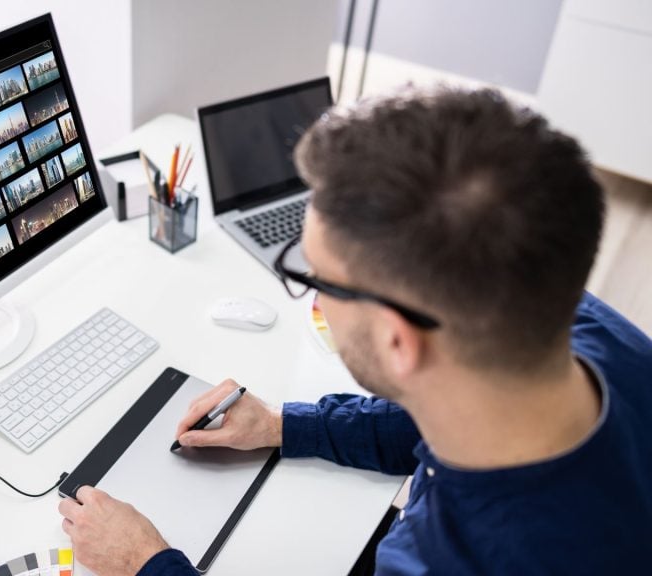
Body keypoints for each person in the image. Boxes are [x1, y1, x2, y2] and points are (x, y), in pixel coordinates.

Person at [57, 85, 652, 575]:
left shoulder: (447, 561)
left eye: (317, 277)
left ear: (398, 341)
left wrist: (144, 563)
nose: (311, 295)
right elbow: (440, 407)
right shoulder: (581, 325)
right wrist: (283, 424)